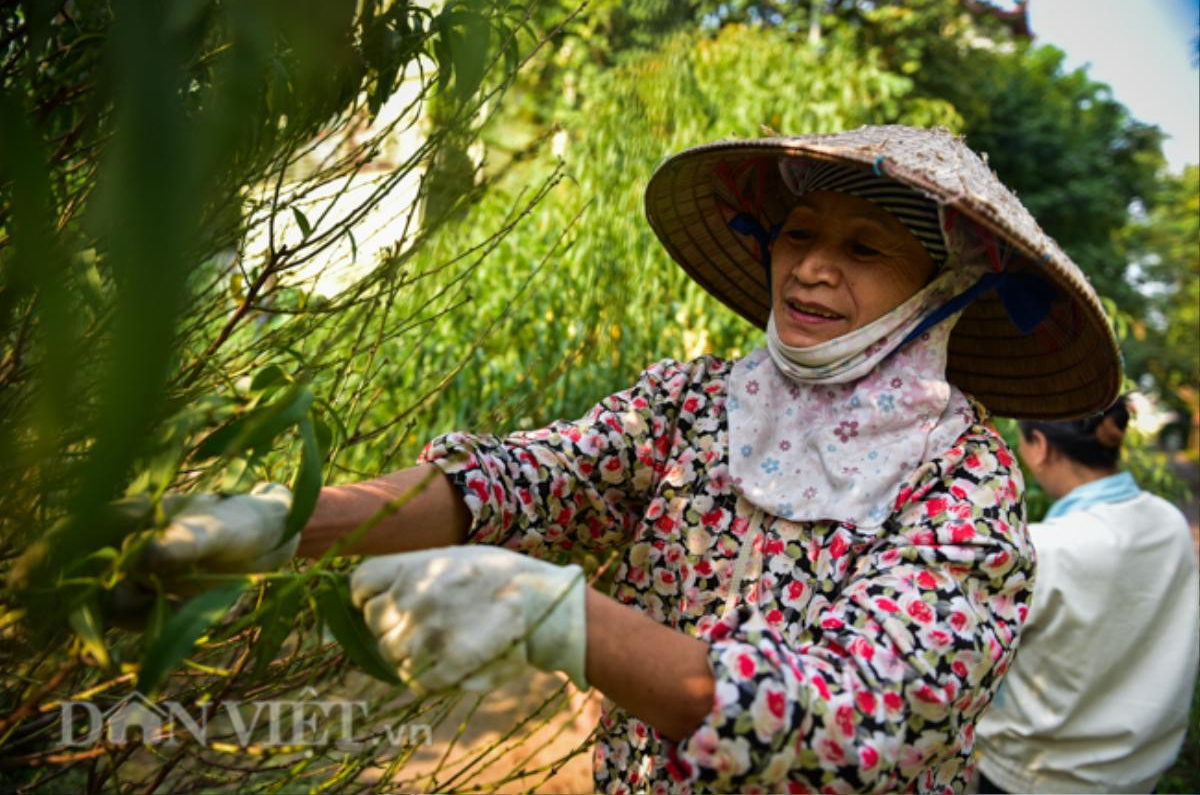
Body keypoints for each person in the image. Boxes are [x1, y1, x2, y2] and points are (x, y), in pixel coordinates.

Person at [138, 125, 1125, 793]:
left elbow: (865, 713)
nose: (812, 266)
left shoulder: (961, 483)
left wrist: (555, 618)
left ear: (940, 287)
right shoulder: (694, 405)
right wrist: (281, 518)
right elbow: (525, 481)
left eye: (866, 250)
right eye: (800, 232)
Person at [975, 397, 1200, 795]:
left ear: (1039, 446)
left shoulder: (1046, 550)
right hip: (1137, 776)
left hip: (1031, 778)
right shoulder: (1171, 524)